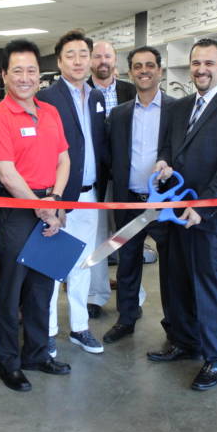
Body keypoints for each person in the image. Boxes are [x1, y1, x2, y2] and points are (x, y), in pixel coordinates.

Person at [154, 38, 217, 391]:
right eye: (196, 63)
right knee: (177, 279)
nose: (201, 69)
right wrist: (163, 163)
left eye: (209, 63)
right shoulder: (180, 107)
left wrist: (203, 206)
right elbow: (168, 147)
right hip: (177, 211)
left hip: (211, 217)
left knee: (209, 284)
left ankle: (215, 358)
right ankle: (184, 341)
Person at [0, 38, 72, 392]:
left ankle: (36, 353)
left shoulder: (50, 112)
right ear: (5, 75)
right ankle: (9, 360)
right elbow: (6, 173)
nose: (25, 77)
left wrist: (56, 201)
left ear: (40, 75)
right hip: (18, 211)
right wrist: (41, 208)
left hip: (51, 203)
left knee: (42, 286)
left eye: (31, 70)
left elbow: (63, 159)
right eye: (17, 70)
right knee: (11, 290)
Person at [37, 29, 108, 357]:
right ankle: (48, 331)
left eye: (83, 54)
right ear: (59, 60)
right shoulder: (48, 99)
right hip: (61, 198)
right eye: (71, 55)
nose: (78, 61)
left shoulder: (95, 97)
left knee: (83, 264)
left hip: (91, 195)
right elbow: (46, 152)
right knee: (52, 267)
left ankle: (79, 327)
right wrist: (54, 198)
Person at [103, 45, 176, 344]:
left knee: (171, 268)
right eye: (137, 66)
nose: (143, 70)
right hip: (128, 199)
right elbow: (109, 156)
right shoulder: (119, 114)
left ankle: (175, 325)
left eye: (149, 65)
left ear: (160, 70)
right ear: (130, 72)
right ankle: (126, 318)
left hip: (164, 203)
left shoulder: (177, 109)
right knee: (128, 262)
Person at [86, 40, 138, 319]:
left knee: (127, 237)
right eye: (97, 56)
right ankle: (96, 295)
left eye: (108, 56)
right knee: (96, 238)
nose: (102, 61)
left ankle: (134, 297)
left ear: (115, 61)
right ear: (90, 61)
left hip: (125, 177)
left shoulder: (130, 91)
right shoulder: (83, 92)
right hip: (94, 176)